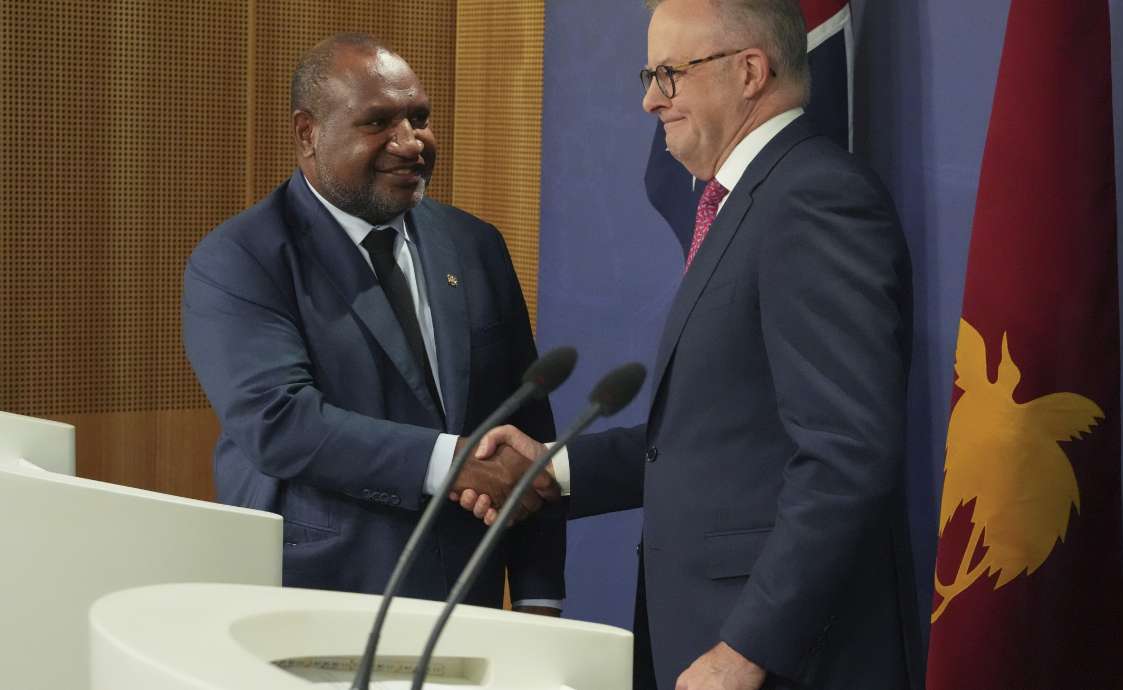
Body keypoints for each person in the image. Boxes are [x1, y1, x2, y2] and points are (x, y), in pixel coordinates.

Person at [457, 0, 922, 687]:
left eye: (668, 74)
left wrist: (748, 649)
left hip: (787, 658)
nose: (650, 100)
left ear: (750, 72)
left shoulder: (814, 198)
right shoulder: (750, 200)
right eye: (650, 76)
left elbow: (845, 453)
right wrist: (552, 469)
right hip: (709, 636)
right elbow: (724, 437)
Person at [181, 33, 564, 613]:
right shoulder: (243, 258)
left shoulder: (475, 245)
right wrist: (452, 463)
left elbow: (526, 426)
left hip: (466, 603)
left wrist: (539, 597)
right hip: (318, 602)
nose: (410, 143)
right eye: (378, 122)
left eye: (420, 118)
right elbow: (279, 422)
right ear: (308, 133)